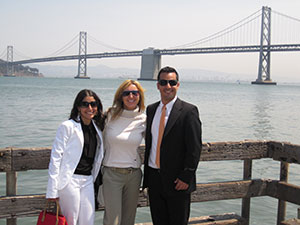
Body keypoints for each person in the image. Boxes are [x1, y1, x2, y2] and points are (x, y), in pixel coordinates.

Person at [143, 66, 202, 225]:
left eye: (172, 82)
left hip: (178, 181)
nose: (167, 86)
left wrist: (186, 176)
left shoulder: (189, 111)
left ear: (178, 85)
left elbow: (194, 147)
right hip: (154, 179)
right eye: (163, 82)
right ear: (158, 85)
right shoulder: (151, 110)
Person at [46, 89, 105, 225]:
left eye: (93, 104)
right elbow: (56, 158)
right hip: (70, 180)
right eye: (85, 104)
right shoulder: (67, 127)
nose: (89, 108)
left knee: (88, 220)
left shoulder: (97, 128)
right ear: (78, 107)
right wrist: (52, 191)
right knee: (71, 220)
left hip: (88, 179)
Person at [102, 79, 146, 225]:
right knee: (112, 221)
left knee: (128, 220)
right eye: (127, 93)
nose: (131, 96)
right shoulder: (109, 115)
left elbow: (159, 142)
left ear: (140, 96)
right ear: (120, 96)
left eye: (135, 93)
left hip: (133, 175)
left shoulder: (144, 119)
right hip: (111, 174)